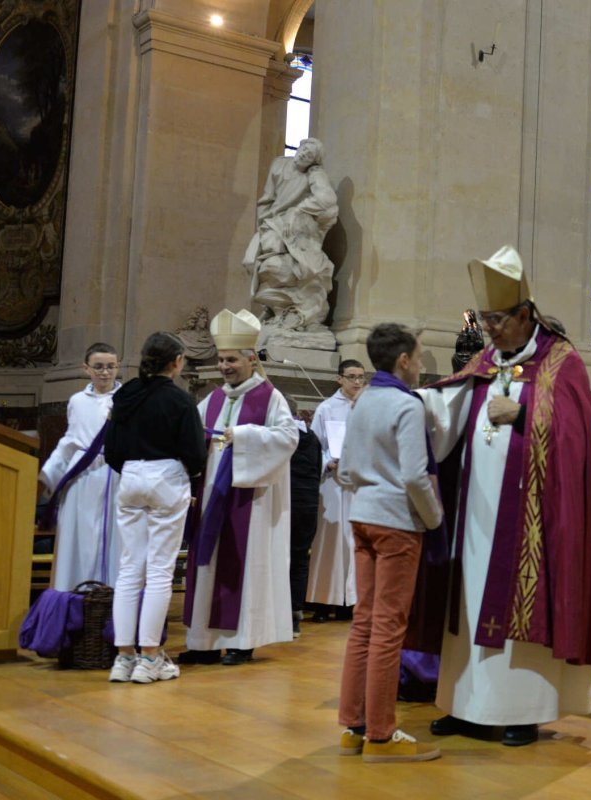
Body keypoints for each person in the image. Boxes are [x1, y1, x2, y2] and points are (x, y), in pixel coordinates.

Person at [414, 245, 591, 747]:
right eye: (485, 321)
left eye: (498, 321)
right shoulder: (486, 360)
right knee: (467, 603)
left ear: (525, 315)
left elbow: (577, 436)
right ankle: (464, 705)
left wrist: (525, 416)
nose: (490, 331)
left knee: (517, 603)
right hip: (476, 512)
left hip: (533, 516)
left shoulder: (562, 362)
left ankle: (519, 710)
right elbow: (456, 403)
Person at [335, 323, 443, 763]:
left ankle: (353, 726)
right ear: (402, 361)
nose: (420, 366)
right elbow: (416, 476)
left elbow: (344, 469)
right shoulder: (405, 405)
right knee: (388, 628)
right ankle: (381, 736)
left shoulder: (360, 401)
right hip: (397, 522)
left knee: (364, 623)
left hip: (361, 516)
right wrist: (433, 519)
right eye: (418, 358)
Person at [181, 308, 299, 666]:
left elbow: (288, 436)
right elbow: (191, 432)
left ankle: (242, 641)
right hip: (213, 494)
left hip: (252, 498)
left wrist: (245, 436)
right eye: (220, 359)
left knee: (245, 566)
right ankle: (203, 643)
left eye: (231, 359)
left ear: (250, 359)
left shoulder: (269, 397)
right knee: (206, 565)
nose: (224, 366)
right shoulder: (214, 399)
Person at [103, 332, 205, 683]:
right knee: (160, 570)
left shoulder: (125, 393)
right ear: (176, 362)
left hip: (130, 475)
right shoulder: (179, 399)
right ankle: (149, 658)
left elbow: (111, 448)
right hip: (166, 475)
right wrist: (186, 475)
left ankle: (123, 658)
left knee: (130, 569)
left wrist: (133, 470)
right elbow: (195, 452)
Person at [38, 343, 122, 590]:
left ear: (117, 367)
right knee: (79, 536)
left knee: (112, 536)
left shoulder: (126, 399)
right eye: (98, 367)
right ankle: (75, 591)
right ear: (87, 369)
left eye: (110, 367)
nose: (105, 373)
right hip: (82, 475)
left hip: (114, 473)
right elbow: (70, 439)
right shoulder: (77, 401)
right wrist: (50, 475)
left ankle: (108, 595)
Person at [242, 138, 339, 331]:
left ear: (313, 161)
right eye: (303, 149)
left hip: (295, 226)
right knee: (249, 261)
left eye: (309, 154)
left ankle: (292, 307)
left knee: (280, 264)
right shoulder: (279, 164)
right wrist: (262, 223)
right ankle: (275, 307)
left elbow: (327, 199)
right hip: (270, 222)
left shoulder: (315, 174)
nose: (303, 154)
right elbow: (267, 198)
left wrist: (297, 210)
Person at [306, 359, 366, 622]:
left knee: (354, 541)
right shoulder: (326, 409)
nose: (356, 382)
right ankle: (322, 601)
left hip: (357, 484)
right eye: (351, 376)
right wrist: (327, 462)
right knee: (330, 542)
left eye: (361, 377)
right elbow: (312, 448)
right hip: (331, 483)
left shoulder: (367, 407)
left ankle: (350, 602)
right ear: (339, 379)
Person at [288, 399, 322, 638]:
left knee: (280, 560)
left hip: (286, 504)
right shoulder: (313, 438)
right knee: (299, 560)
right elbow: (318, 470)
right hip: (308, 504)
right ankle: (294, 618)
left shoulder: (282, 437)